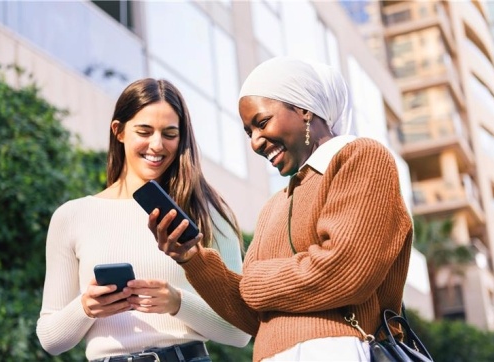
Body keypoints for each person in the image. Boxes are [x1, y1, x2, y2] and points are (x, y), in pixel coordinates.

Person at [150, 56, 413, 362]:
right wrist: (192, 259)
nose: (256, 142)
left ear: (303, 109)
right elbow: (254, 316)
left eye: (261, 123)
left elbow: (345, 273)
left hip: (337, 350)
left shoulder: (361, 158)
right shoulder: (273, 207)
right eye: (249, 133)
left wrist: (254, 280)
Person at [36, 78, 251, 362]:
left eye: (170, 134)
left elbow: (240, 331)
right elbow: (50, 339)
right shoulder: (72, 216)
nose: (157, 145)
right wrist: (86, 307)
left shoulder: (208, 212)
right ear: (119, 131)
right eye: (144, 131)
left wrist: (176, 302)